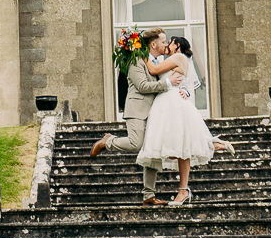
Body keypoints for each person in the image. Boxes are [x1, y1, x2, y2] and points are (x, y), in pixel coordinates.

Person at [137, 34, 233, 205]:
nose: (167, 45)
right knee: (175, 148)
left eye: (170, 42)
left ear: (178, 46)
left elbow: (153, 70)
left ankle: (185, 187)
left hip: (172, 103)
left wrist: (139, 50)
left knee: (179, 148)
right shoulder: (173, 59)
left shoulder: (179, 57)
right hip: (165, 103)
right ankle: (212, 144)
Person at [87, 27, 172, 204]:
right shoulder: (136, 62)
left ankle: (149, 196)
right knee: (136, 143)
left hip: (155, 113)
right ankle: (107, 142)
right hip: (137, 110)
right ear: (153, 43)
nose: (165, 44)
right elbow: (142, 86)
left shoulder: (157, 63)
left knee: (153, 153)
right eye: (163, 41)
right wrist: (167, 84)